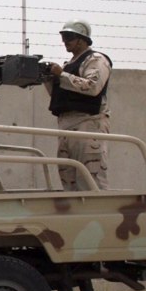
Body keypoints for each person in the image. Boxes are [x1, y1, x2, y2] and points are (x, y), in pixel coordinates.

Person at [46, 19, 112, 191]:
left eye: (69, 37)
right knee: (69, 183)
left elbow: (92, 87)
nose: (64, 41)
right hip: (67, 127)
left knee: (90, 181)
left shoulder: (95, 59)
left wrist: (62, 75)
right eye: (63, 37)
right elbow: (61, 95)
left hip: (87, 125)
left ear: (82, 39)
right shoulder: (69, 65)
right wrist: (48, 79)